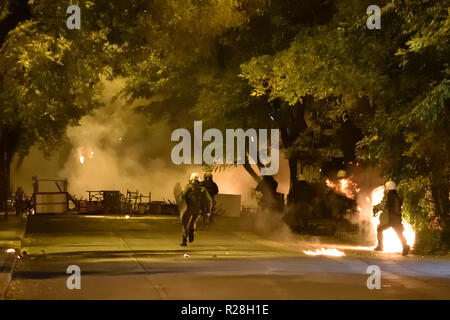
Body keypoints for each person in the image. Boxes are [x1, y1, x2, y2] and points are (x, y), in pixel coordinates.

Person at [373, 181, 410, 256]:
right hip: (397, 218)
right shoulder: (397, 196)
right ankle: (405, 246)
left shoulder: (389, 196)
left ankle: (380, 246)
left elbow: (383, 205)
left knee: (380, 229)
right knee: (399, 234)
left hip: (391, 219)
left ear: (388, 188)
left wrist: (376, 208)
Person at [180, 173, 211, 246]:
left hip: (188, 209)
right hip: (198, 210)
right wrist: (208, 212)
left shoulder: (187, 187)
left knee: (185, 224)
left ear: (191, 179)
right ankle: (192, 233)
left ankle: (185, 240)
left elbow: (182, 197)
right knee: (193, 222)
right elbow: (208, 201)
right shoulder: (203, 189)